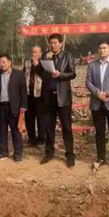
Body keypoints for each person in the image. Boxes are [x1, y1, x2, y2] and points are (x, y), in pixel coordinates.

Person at [33, 33, 77, 168]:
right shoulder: (46, 56)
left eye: (55, 43)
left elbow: (73, 73)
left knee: (66, 127)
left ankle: (70, 155)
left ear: (60, 44)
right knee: (49, 127)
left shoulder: (67, 56)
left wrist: (61, 74)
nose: (52, 45)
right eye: (51, 43)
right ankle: (49, 152)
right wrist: (37, 65)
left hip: (62, 97)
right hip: (49, 97)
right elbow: (42, 74)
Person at [85, 41, 109, 171]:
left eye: (104, 48)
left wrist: (107, 93)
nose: (102, 50)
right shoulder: (92, 65)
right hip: (97, 103)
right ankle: (101, 157)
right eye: (100, 48)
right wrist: (98, 94)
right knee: (99, 132)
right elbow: (88, 82)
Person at [0, 54, 27, 162]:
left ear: (10, 62)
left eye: (4, 62)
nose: (2, 64)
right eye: (0, 62)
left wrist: (23, 106)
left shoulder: (18, 74)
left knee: (16, 131)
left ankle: (18, 153)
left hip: (14, 107)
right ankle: (3, 152)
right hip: (0, 107)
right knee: (1, 131)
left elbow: (23, 92)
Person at [23, 45, 46, 147]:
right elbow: (24, 75)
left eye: (36, 52)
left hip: (40, 95)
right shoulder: (27, 63)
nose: (33, 54)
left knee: (41, 118)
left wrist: (37, 65)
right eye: (32, 52)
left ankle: (42, 139)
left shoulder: (44, 63)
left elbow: (45, 76)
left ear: (40, 54)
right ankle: (32, 139)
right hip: (28, 94)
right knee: (29, 118)